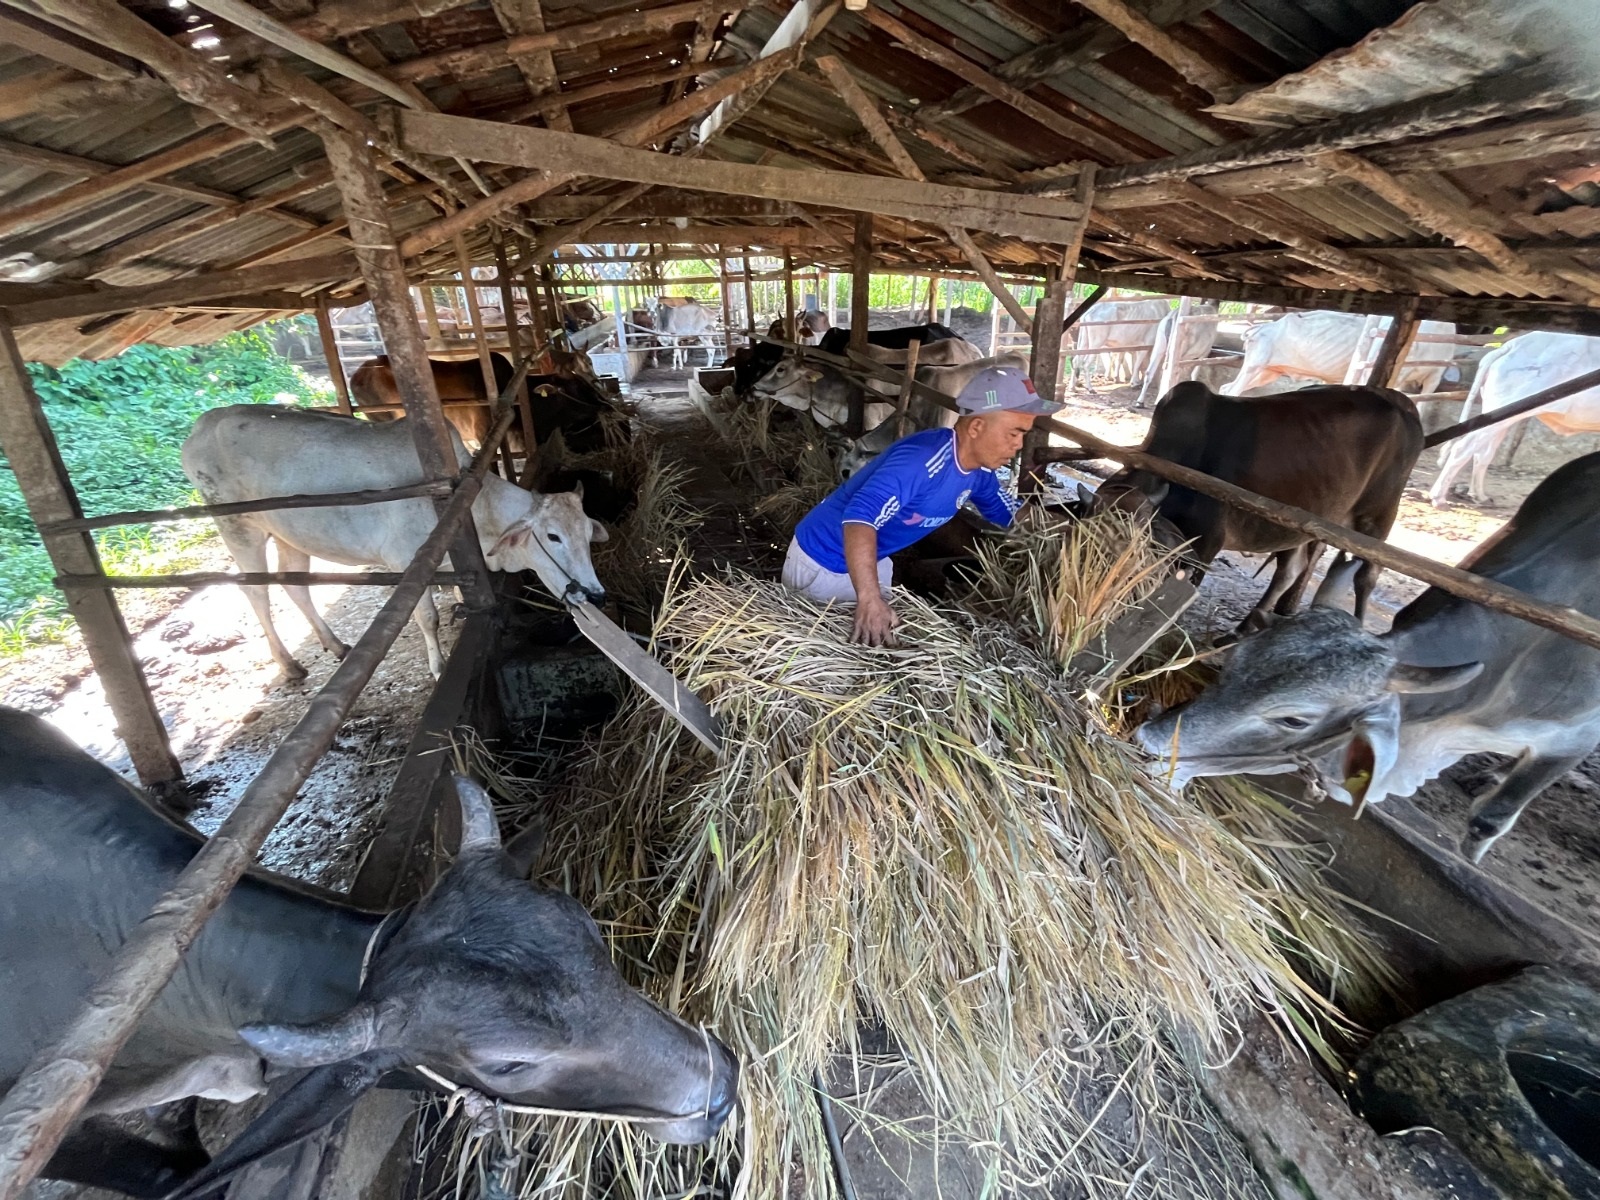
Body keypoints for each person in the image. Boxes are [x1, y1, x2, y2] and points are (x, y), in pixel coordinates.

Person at [782, 364, 1060, 645]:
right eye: (1014, 433)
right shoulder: (922, 460)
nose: (1019, 445)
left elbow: (1011, 512)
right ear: (977, 427)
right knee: (837, 655)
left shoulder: (979, 473)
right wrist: (870, 599)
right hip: (824, 560)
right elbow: (860, 517)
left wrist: (1075, 533)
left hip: (870, 559)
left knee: (878, 646)